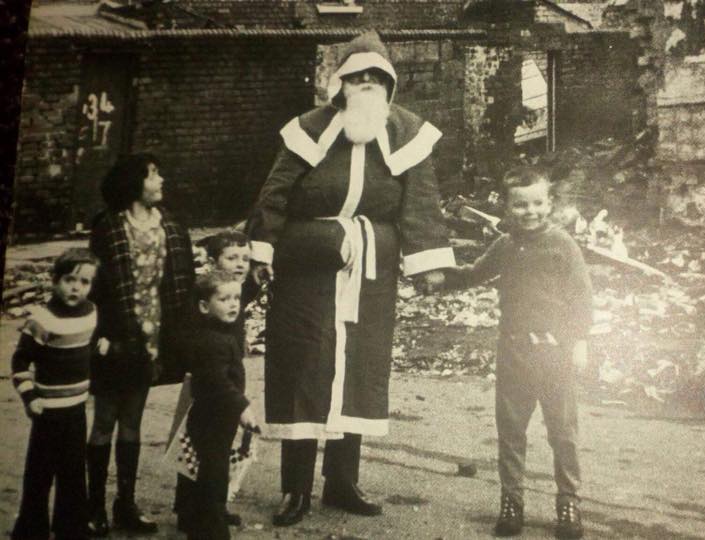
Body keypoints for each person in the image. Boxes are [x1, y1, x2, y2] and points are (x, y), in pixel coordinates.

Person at [246, 30, 453, 526]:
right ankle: (294, 488)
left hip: (371, 272)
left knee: (359, 369)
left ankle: (342, 482)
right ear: (339, 84)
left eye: (374, 79)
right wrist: (261, 251)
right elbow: (274, 194)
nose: (365, 86)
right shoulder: (307, 130)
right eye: (356, 77)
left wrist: (429, 265)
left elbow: (422, 203)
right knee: (304, 365)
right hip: (307, 268)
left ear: (389, 86)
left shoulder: (407, 134)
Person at [445, 166, 592, 539]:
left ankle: (568, 503)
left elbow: (582, 298)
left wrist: (579, 342)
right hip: (513, 351)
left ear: (549, 203)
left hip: (555, 353)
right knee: (511, 432)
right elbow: (474, 273)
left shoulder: (563, 245)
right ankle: (512, 503)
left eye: (537, 203)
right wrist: (436, 273)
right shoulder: (506, 244)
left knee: (563, 432)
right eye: (521, 205)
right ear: (509, 207)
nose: (530, 211)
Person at [86, 153, 196, 536]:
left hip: (151, 337)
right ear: (136, 183)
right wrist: (99, 335)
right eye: (154, 173)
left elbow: (181, 281)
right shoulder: (109, 226)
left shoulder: (169, 224)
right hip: (116, 335)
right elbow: (94, 287)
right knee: (104, 422)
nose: (161, 179)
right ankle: (93, 507)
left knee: (132, 421)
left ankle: (125, 505)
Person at [10, 248, 100, 540]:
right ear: (55, 280)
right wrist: (30, 397)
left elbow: (88, 345)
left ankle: (70, 529)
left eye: (84, 282)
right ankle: (30, 530)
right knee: (39, 475)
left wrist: (103, 345)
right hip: (47, 410)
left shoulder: (91, 312)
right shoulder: (42, 319)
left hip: (76, 409)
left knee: (73, 473)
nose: (76, 287)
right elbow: (20, 362)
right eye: (70, 279)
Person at [174, 230, 256, 531]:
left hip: (221, 377)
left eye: (245, 258)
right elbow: (201, 350)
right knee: (204, 455)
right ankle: (200, 513)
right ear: (214, 260)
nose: (240, 264)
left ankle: (206, 509)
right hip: (209, 382)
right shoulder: (207, 298)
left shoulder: (232, 292)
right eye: (232, 257)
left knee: (209, 453)